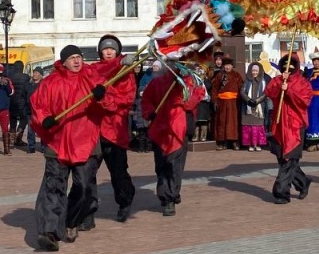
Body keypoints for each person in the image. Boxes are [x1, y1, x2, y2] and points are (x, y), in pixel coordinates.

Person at [31, 45, 107, 251]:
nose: (77, 61)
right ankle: (50, 232)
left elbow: (110, 104)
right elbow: (38, 105)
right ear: (63, 61)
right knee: (54, 187)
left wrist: (101, 96)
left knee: (83, 187)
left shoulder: (92, 78)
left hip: (86, 141)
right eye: (72, 58)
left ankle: (72, 221)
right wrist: (44, 119)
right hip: (58, 142)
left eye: (79, 57)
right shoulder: (50, 82)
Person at [84, 34, 137, 227]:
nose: (108, 51)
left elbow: (126, 99)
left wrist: (104, 98)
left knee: (118, 172)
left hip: (114, 130)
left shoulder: (126, 69)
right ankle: (87, 212)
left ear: (118, 50)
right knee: (86, 174)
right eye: (105, 48)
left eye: (112, 48)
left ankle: (125, 201)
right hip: (94, 131)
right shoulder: (93, 70)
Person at [141, 66, 205, 217]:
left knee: (174, 165)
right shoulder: (156, 83)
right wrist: (149, 112)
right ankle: (168, 193)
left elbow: (191, 102)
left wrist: (182, 88)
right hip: (159, 129)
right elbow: (147, 100)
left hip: (178, 129)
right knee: (161, 165)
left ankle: (170, 197)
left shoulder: (190, 82)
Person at [264, 53, 314, 203]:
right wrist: (281, 85)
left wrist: (290, 90)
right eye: (285, 65)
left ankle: (281, 192)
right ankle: (303, 182)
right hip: (279, 125)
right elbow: (269, 92)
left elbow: (304, 102)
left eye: (291, 65)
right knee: (283, 159)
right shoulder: (278, 80)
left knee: (289, 160)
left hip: (295, 126)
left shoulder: (303, 83)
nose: (288, 68)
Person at [209, 57, 242, 150]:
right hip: (222, 103)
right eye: (225, 65)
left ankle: (235, 142)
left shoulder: (237, 75)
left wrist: (240, 100)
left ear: (232, 66)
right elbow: (214, 89)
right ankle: (222, 143)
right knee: (222, 122)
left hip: (233, 103)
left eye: (229, 65)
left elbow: (241, 88)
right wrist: (214, 101)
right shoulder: (219, 75)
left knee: (233, 123)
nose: (227, 67)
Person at [240, 62, 269, 152]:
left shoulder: (263, 82)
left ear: (259, 71)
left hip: (259, 107)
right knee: (249, 127)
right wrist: (248, 100)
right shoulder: (247, 81)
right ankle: (250, 144)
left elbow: (265, 93)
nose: (254, 72)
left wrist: (257, 100)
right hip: (248, 107)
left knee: (258, 126)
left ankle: (258, 144)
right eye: (253, 71)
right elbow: (242, 92)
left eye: (256, 71)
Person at [7, 61, 31, 147]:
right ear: (22, 67)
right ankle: (18, 137)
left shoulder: (10, 77)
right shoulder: (26, 77)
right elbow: (27, 89)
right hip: (22, 101)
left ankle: (12, 138)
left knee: (13, 119)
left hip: (12, 101)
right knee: (23, 119)